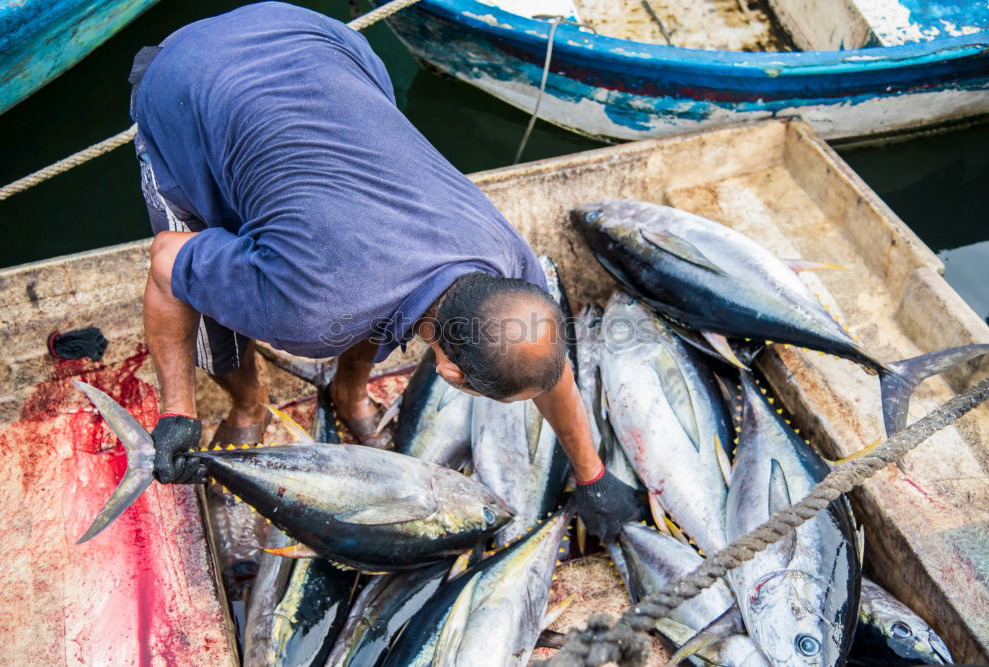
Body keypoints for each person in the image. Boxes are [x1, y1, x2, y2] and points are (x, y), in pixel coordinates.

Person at [130, 2, 638, 541]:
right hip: (188, 81)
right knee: (214, 308)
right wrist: (178, 412)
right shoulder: (308, 313)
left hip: (322, 41)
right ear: (450, 373)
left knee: (366, 298)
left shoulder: (513, 271)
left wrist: (593, 473)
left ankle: (349, 394)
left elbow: (543, 366)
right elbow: (166, 263)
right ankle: (247, 403)